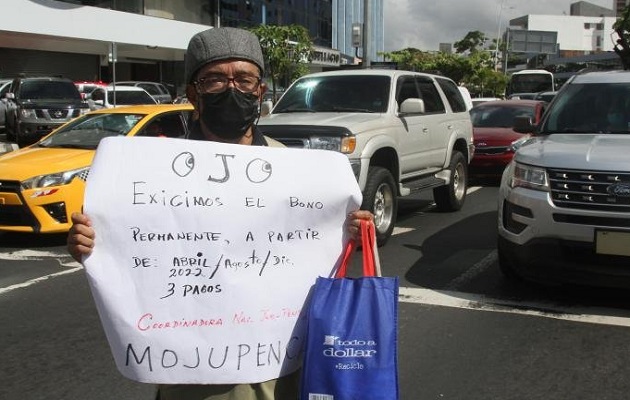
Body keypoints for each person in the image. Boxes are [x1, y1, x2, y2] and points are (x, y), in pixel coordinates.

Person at [67, 27, 373, 400]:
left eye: (244, 79)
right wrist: (88, 243)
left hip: (281, 370)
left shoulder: (299, 170)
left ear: (261, 92)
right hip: (193, 381)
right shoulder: (150, 172)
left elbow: (320, 251)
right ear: (193, 94)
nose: (232, 90)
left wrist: (354, 231)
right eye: (214, 80)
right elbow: (129, 250)